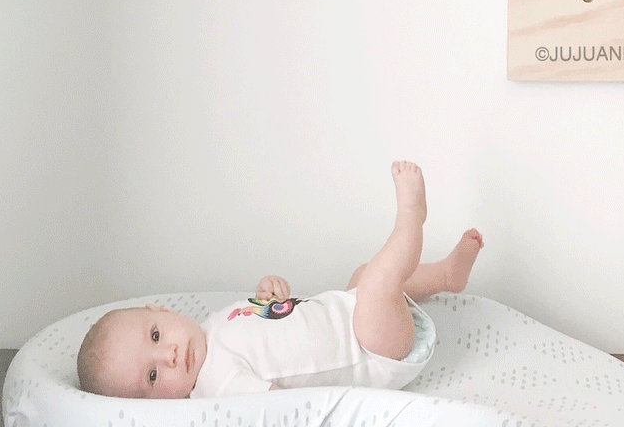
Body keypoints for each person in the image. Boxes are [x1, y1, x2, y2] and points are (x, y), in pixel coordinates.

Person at [77, 161, 483, 398]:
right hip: (370, 353)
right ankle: (411, 216)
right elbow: (276, 408)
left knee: (361, 279)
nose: (167, 356)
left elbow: (266, 325)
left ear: (161, 312)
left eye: (154, 336)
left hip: (346, 316)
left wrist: (266, 296)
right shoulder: (217, 385)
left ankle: (446, 275)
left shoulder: (212, 326)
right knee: (378, 281)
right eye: (153, 377)